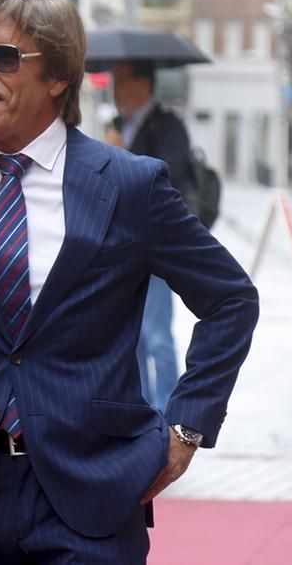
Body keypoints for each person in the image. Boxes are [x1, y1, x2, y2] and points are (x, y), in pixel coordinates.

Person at [0, 0, 258, 563]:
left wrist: (186, 428)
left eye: (2, 57)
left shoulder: (130, 185)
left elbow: (230, 299)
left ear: (57, 76)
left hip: (94, 491)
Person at [108, 59, 196, 411]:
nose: (115, 90)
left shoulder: (169, 126)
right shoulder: (115, 125)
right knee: (132, 337)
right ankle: (142, 407)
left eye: (122, 81)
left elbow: (166, 179)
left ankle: (165, 410)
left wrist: (122, 154)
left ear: (144, 85)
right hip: (122, 243)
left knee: (157, 333)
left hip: (157, 243)